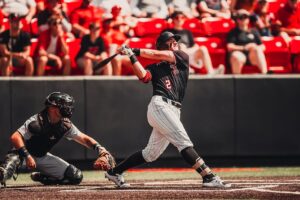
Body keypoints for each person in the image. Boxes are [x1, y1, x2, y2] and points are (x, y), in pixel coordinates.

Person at [104, 31, 231, 188]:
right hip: (160, 106)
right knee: (184, 142)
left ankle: (115, 172)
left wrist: (134, 49)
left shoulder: (181, 57)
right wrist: (132, 56)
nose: (176, 43)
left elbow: (156, 54)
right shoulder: (155, 67)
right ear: (165, 44)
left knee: (150, 154)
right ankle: (208, 176)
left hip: (173, 109)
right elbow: (143, 76)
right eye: (172, 41)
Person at [0, 92, 113, 187]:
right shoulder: (37, 121)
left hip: (41, 156)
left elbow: (83, 138)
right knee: (9, 166)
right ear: (52, 107)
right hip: (22, 155)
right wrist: (27, 156)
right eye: (64, 105)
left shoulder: (65, 124)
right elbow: (15, 137)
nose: (68, 108)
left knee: (75, 176)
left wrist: (100, 149)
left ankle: (43, 177)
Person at [227, 9, 267, 74]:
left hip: (252, 55)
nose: (243, 19)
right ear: (237, 20)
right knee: (236, 56)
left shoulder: (254, 31)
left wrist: (254, 47)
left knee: (258, 50)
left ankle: (265, 75)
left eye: (245, 17)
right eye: (241, 17)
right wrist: (245, 47)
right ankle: (237, 81)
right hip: (240, 54)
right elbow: (230, 47)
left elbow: (263, 46)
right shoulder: (233, 32)